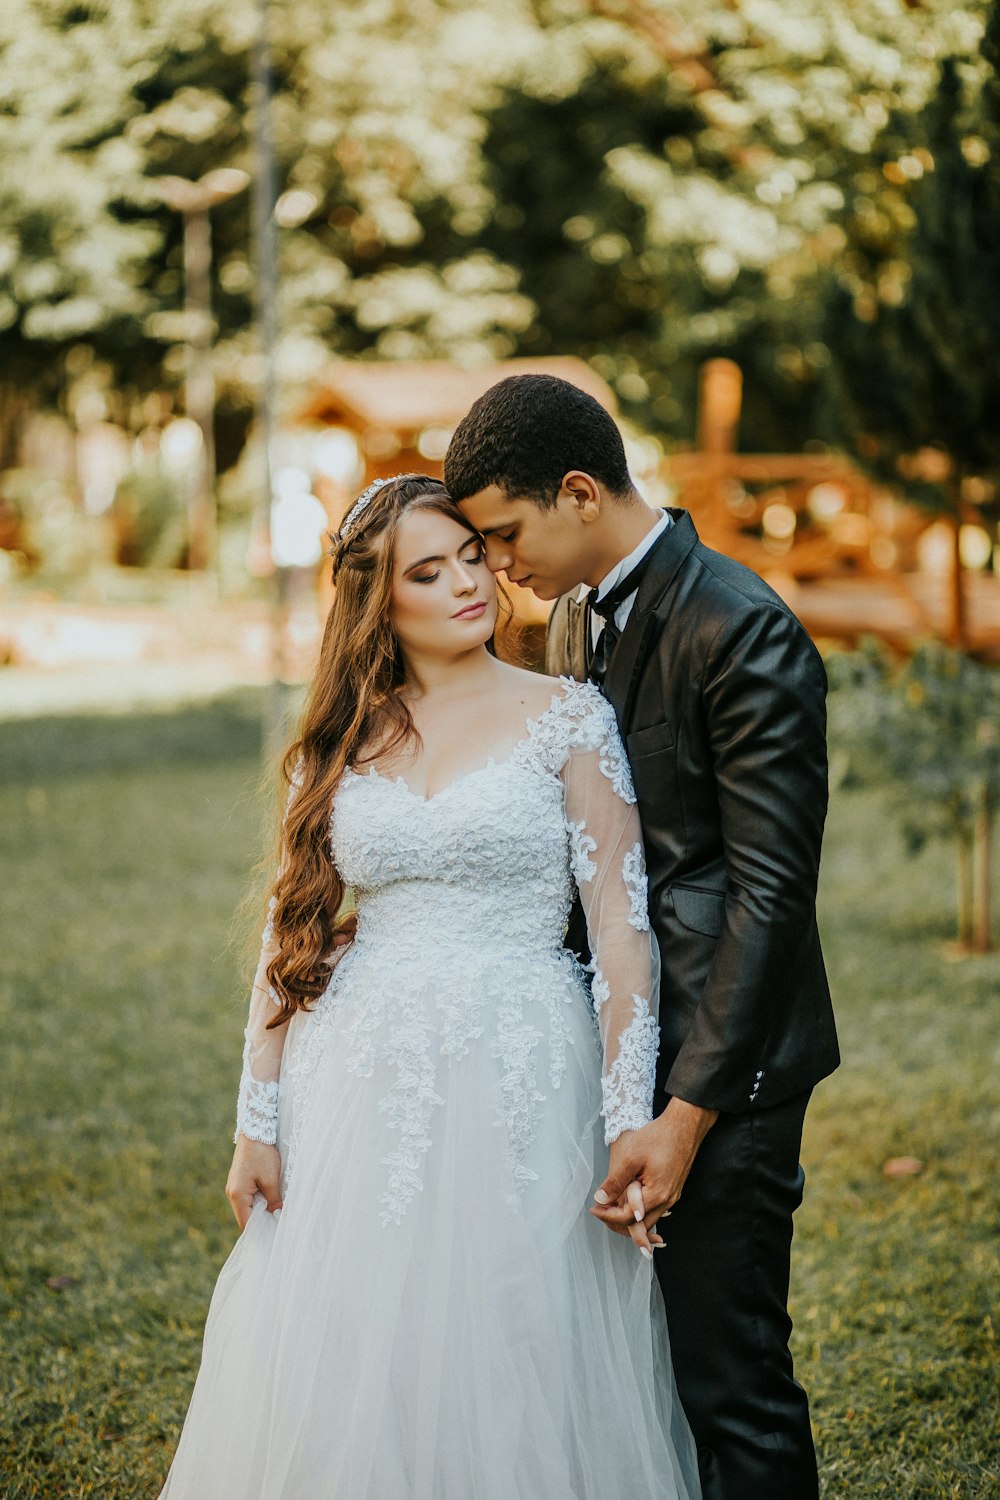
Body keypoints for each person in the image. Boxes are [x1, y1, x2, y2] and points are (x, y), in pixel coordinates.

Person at [159, 474, 701, 1500]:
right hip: (360, 1075)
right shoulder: (339, 742)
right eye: (427, 569)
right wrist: (254, 1121)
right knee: (357, 1328)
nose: (466, 582)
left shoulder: (569, 718)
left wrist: (626, 1115)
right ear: (378, 599)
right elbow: (295, 930)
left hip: (525, 1066)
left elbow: (624, 940)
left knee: (515, 1321)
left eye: (467, 555)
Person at [445, 375, 840, 1500]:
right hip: (619, 1049)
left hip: (728, 1069)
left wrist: (683, 1115)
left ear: (578, 492)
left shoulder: (741, 627)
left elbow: (770, 897)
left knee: (730, 1382)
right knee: (638, 1376)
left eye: (503, 534)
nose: (495, 566)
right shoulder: (578, 618)